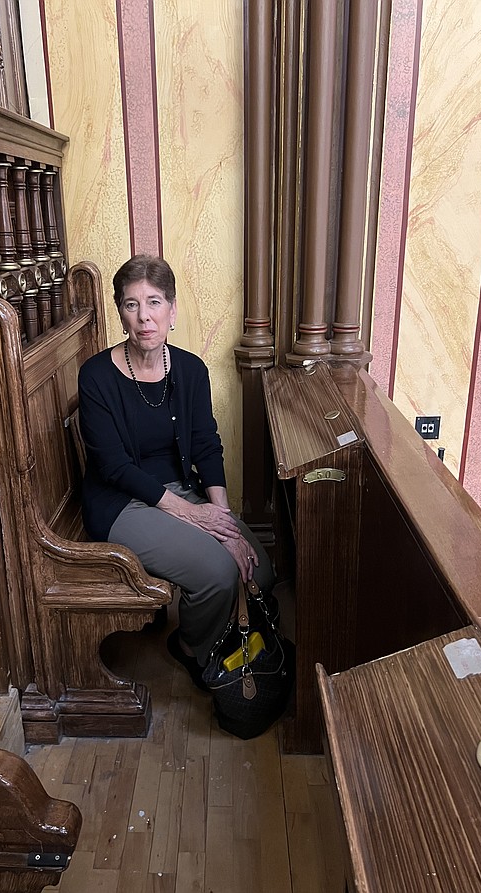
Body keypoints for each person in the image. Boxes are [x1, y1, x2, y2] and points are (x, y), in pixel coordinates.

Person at [77, 255, 274, 689]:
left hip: (179, 490)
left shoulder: (189, 369)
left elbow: (206, 443)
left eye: (154, 302)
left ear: (172, 309)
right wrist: (193, 515)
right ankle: (191, 648)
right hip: (122, 502)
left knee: (259, 568)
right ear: (119, 311)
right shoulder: (96, 376)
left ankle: (227, 640)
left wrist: (222, 520)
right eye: (131, 304)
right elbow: (113, 467)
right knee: (217, 574)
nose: (144, 316)